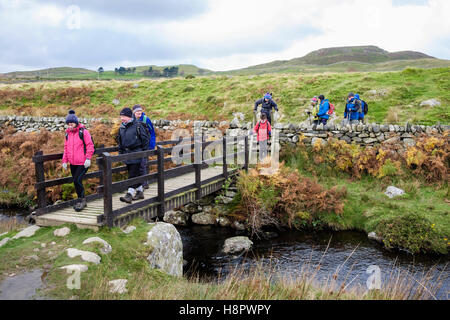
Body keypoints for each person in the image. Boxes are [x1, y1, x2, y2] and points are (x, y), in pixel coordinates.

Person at [62, 110, 95, 212]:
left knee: (77, 180)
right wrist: (64, 161)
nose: (70, 125)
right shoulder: (67, 134)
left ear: (76, 122)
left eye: (71, 123)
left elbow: (90, 145)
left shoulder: (83, 132)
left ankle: (82, 200)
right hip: (73, 163)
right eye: (68, 124)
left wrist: (88, 158)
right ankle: (80, 199)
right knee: (75, 181)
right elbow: (66, 148)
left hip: (83, 162)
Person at [117, 107, 150, 204]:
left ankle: (129, 194)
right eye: (121, 116)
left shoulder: (138, 126)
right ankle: (140, 191)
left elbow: (145, 140)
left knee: (132, 174)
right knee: (135, 174)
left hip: (137, 153)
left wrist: (142, 153)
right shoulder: (122, 127)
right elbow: (120, 142)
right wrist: (120, 154)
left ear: (129, 116)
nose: (122, 118)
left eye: (124, 116)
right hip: (126, 155)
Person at [132, 104, 156, 190]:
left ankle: (144, 183)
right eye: (137, 111)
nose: (139, 112)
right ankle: (138, 184)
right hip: (135, 146)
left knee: (143, 164)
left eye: (140, 111)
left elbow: (152, 132)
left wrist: (152, 145)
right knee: (136, 165)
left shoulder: (146, 119)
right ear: (133, 112)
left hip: (145, 146)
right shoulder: (132, 120)